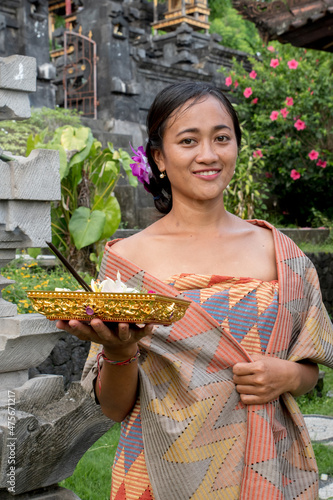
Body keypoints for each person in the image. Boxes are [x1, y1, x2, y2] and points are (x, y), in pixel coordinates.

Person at [56, 81, 333, 499]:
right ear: (160, 158)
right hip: (155, 470)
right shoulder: (129, 261)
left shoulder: (281, 255)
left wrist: (289, 374)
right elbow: (113, 408)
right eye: (189, 141)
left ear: (236, 146)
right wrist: (118, 351)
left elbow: (309, 369)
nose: (209, 154)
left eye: (222, 138)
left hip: (264, 468)